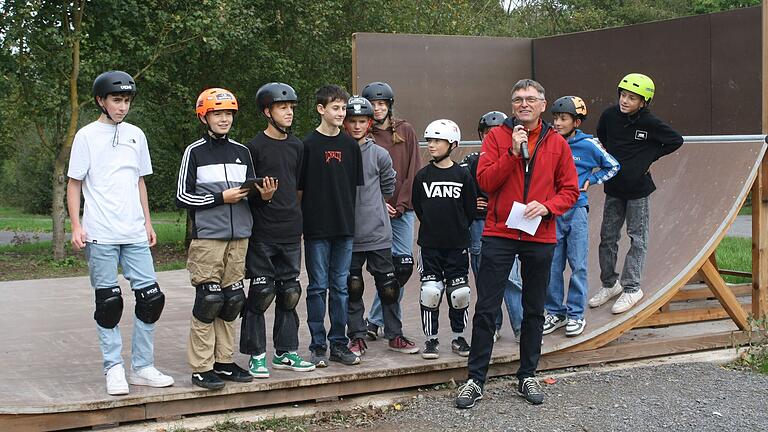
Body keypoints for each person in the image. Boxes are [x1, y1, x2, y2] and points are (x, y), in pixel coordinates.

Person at [456, 79, 579, 408]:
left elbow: (570, 190)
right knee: (486, 308)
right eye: (517, 99)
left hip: (540, 234)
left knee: (534, 309)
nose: (523, 104)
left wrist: (549, 206)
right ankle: (475, 379)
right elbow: (484, 181)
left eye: (530, 99)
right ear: (512, 106)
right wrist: (511, 153)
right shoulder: (496, 137)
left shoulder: (557, 143)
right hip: (499, 232)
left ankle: (527, 374)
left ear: (542, 104)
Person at [67, 70, 174, 396]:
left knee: (151, 298)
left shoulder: (136, 135)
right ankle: (114, 368)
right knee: (109, 302)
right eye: (116, 100)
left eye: (126, 100)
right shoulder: (86, 135)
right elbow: (74, 183)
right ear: (101, 100)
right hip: (100, 232)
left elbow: (139, 180)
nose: (122, 106)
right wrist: (76, 225)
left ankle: (142, 367)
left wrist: (148, 221)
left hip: (134, 231)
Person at [176, 88, 274, 389]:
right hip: (209, 238)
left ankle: (225, 362)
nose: (224, 119)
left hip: (240, 237)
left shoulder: (242, 152)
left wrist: (265, 197)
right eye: (218, 113)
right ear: (204, 116)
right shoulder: (194, 152)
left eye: (228, 113)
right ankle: (202, 368)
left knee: (232, 300)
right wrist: (220, 198)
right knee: (209, 300)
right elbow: (182, 197)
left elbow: (249, 197)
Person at [239, 82, 315, 378]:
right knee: (260, 292)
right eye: (283, 107)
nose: (289, 113)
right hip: (262, 233)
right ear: (267, 111)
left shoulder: (298, 146)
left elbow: (298, 188)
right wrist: (263, 198)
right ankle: (256, 355)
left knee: (290, 292)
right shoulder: (253, 148)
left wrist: (294, 218)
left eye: (291, 108)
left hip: (290, 232)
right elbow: (248, 192)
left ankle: (286, 352)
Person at [590, 73, 683, 314]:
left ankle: (632, 288)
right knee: (607, 237)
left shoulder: (650, 123)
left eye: (632, 98)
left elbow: (675, 140)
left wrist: (648, 156)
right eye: (623, 95)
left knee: (637, 237)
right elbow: (602, 135)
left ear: (643, 102)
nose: (625, 101)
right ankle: (610, 284)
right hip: (614, 187)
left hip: (638, 190)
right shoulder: (610, 116)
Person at [343, 96, 420, 356]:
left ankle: (394, 335)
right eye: (351, 121)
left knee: (388, 286)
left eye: (361, 121)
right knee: (353, 286)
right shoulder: (339, 153)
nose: (356, 126)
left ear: (368, 123)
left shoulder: (379, 154)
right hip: (349, 233)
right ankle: (356, 336)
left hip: (378, 232)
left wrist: (377, 203)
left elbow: (389, 186)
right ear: (345, 123)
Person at [543, 96, 620, 337]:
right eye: (555, 118)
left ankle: (576, 314)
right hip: (552, 212)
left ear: (576, 122)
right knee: (552, 266)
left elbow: (613, 166)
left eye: (563, 118)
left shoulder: (589, 145)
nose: (557, 122)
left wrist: (592, 180)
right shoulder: (547, 142)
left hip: (576, 211)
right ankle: (555, 312)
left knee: (577, 265)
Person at [300, 85, 364, 367]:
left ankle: (339, 343)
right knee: (317, 288)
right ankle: (317, 346)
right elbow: (299, 190)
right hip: (316, 229)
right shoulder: (307, 145)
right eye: (335, 108)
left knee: (341, 287)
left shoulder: (351, 145)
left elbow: (353, 188)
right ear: (320, 109)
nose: (341, 113)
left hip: (344, 229)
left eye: (343, 108)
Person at [360, 82, 422, 339]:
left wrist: (401, 205)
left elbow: (413, 171)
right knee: (379, 271)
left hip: (402, 211)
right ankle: (378, 322)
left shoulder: (405, 130)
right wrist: (378, 204)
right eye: (373, 105)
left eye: (381, 104)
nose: (377, 109)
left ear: (389, 105)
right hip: (372, 212)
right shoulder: (361, 133)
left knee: (402, 267)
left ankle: (376, 319)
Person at [412, 119, 476, 360]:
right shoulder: (422, 177)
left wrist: (456, 230)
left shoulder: (463, 175)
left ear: (452, 144)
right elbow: (420, 207)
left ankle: (459, 337)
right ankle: (431, 340)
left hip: (457, 246)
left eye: (438, 141)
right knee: (430, 291)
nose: (432, 145)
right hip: (430, 246)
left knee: (459, 293)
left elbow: (469, 210)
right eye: (429, 140)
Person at [460, 111, 523, 342]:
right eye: (488, 133)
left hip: (507, 221)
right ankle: (493, 325)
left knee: (512, 278)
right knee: (485, 278)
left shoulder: (516, 156)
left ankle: (520, 325)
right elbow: (458, 185)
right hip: (479, 224)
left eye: (497, 132)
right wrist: (470, 202)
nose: (492, 136)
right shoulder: (473, 160)